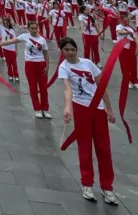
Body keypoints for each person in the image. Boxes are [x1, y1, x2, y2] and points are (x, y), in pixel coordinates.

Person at [58, 37, 119, 205]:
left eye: (72, 49)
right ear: (62, 51)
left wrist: (109, 108)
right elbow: (67, 88)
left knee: (104, 148)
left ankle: (107, 187)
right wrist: (67, 108)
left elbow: (101, 87)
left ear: (76, 50)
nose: (70, 53)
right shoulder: (64, 68)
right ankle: (87, 184)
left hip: (98, 109)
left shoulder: (88, 63)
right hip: (81, 109)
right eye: (66, 50)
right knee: (84, 148)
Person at [0, 21, 51, 118]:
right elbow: (12, 41)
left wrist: (47, 66)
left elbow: (45, 53)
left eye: (35, 28)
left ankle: (45, 109)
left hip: (41, 64)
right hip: (30, 65)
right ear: (28, 29)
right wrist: (0, 44)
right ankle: (37, 109)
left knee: (43, 88)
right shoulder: (25, 36)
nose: (34, 30)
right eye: (32, 28)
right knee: (33, 87)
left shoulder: (42, 39)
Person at [116, 13, 138, 90]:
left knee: (133, 65)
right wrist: (126, 32)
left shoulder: (131, 29)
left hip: (131, 48)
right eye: (125, 21)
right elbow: (119, 32)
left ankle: (135, 81)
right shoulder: (119, 26)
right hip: (122, 48)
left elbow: (135, 38)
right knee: (124, 66)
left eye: (128, 21)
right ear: (121, 21)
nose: (127, 22)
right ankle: (127, 81)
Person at [0, 16, 19, 82]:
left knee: (14, 63)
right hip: (5, 48)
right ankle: (10, 75)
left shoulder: (12, 31)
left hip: (12, 49)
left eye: (7, 23)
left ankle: (16, 75)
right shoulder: (2, 28)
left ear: (9, 23)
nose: (6, 24)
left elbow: (15, 40)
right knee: (8, 63)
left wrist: (16, 49)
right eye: (4, 23)